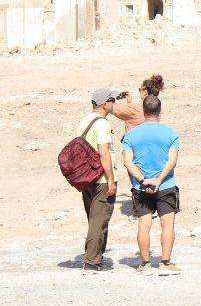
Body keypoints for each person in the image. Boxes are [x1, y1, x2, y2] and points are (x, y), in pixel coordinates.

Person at [121, 95, 182, 275]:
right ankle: (165, 263)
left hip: (141, 187)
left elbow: (127, 162)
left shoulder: (131, 135)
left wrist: (142, 180)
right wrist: (158, 180)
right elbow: (172, 161)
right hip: (166, 185)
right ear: (160, 111)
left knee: (144, 224)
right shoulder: (171, 133)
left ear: (144, 110)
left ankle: (145, 264)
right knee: (167, 224)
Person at [78, 88, 121, 271]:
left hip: (87, 177)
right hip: (101, 179)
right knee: (99, 220)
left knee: (94, 218)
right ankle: (92, 261)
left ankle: (93, 256)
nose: (114, 103)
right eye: (112, 100)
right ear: (105, 103)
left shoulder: (85, 120)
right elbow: (104, 153)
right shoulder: (101, 124)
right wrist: (111, 179)